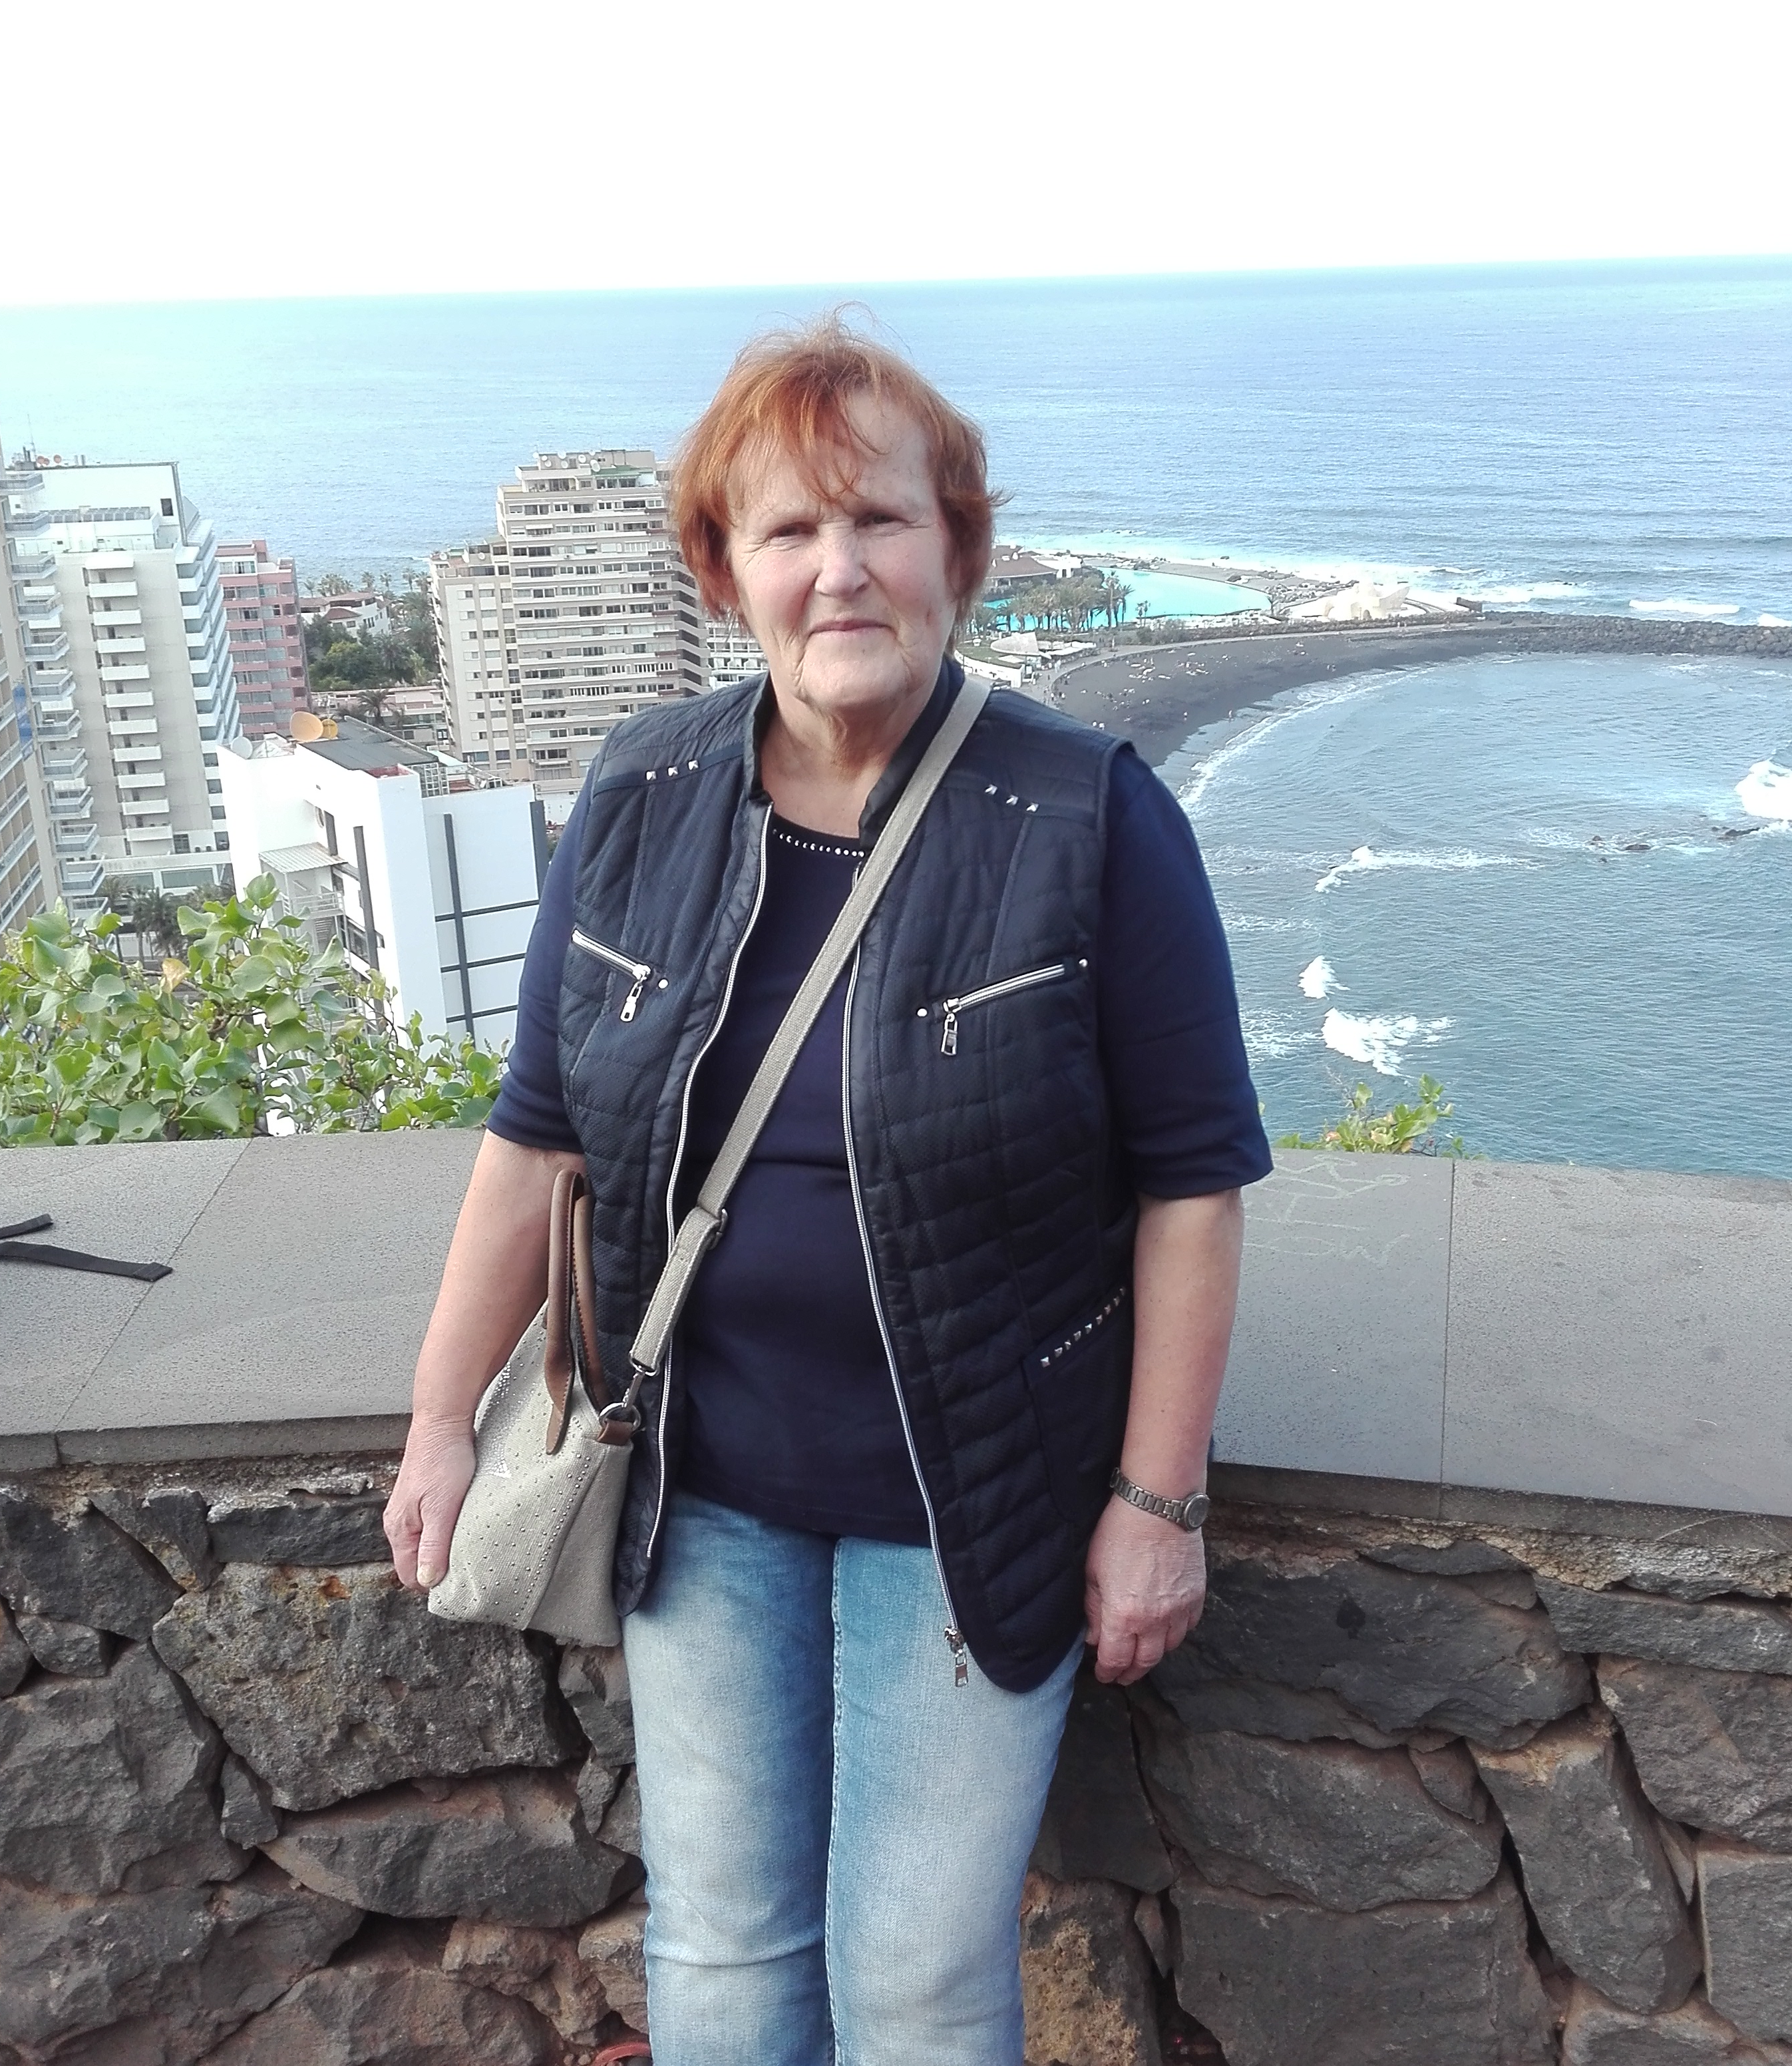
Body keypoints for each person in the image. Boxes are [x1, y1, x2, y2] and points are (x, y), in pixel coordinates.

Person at [385, 315, 1270, 2066]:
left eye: (881, 520)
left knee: (919, 1979)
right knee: (721, 1950)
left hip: (976, 1493)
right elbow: (539, 1135)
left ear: (959, 550)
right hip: (701, 1480)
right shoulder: (639, 797)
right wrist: (435, 1421)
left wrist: (1156, 1506)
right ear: (727, 573)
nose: (839, 568)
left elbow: (1194, 1187)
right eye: (790, 529)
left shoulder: (1085, 815)